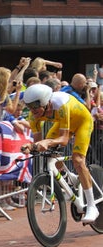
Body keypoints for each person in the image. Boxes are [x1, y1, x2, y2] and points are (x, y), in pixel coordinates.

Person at [21, 84, 99, 223]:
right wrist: (31, 146)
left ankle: (92, 206)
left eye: (35, 107)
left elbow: (63, 140)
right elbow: (38, 143)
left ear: (45, 103)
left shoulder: (60, 105)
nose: (32, 111)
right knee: (51, 155)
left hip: (83, 122)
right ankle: (69, 178)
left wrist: (46, 143)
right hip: (64, 124)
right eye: (29, 107)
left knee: (78, 160)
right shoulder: (34, 118)